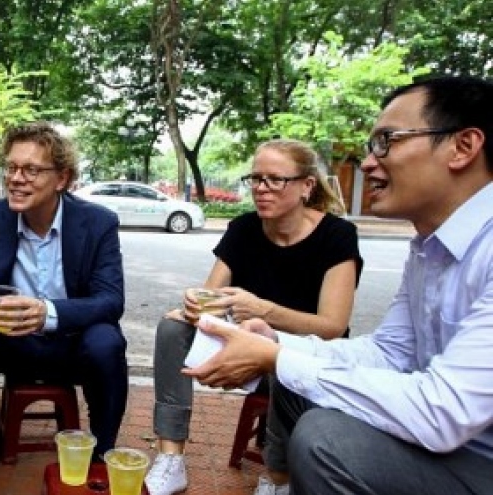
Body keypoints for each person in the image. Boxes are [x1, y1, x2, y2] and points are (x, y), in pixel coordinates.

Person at [187, 75, 493, 495]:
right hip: (446, 434)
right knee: (296, 390)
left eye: (387, 141)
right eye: (255, 179)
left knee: (325, 440)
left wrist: (276, 354)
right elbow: (390, 352)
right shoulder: (428, 246)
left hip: (472, 453)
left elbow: (444, 412)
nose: (368, 163)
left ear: (463, 147)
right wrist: (276, 343)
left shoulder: (340, 235)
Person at [145, 139, 363, 495]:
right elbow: (211, 298)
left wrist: (265, 311)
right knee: (172, 328)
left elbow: (333, 327)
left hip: (303, 360)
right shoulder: (245, 229)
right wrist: (194, 305)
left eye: (275, 180)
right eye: (256, 179)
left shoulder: (337, 237)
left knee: (282, 353)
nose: (261, 189)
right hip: (241, 347)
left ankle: (277, 478)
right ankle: (171, 457)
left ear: (306, 185)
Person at [0, 121, 128, 477]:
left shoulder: (98, 222)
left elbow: (110, 300)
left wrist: (47, 314)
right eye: (11, 167)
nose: (16, 178)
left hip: (72, 346)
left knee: (107, 342)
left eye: (31, 170)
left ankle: (103, 449)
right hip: (10, 344)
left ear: (62, 178)